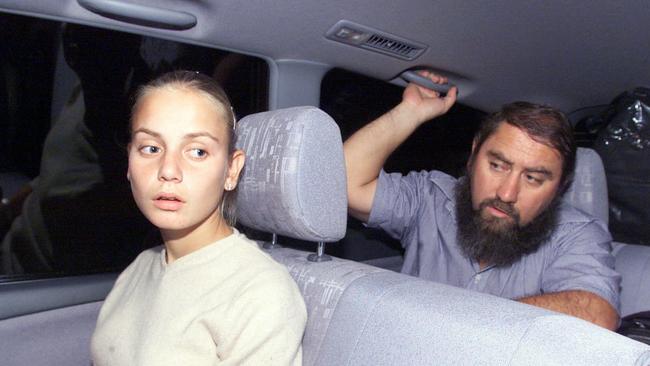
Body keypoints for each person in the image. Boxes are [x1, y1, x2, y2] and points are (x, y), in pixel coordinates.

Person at [344, 71, 620, 330]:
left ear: (560, 187)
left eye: (532, 178)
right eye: (498, 166)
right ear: (474, 155)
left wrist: (465, 324)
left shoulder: (576, 235)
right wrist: (409, 113)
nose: (506, 194)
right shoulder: (429, 198)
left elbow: (596, 314)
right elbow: (343, 186)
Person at [91, 70, 307, 365]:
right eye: (151, 148)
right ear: (129, 162)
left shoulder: (261, 293)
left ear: (232, 170)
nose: (168, 169)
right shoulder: (140, 267)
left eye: (197, 151)